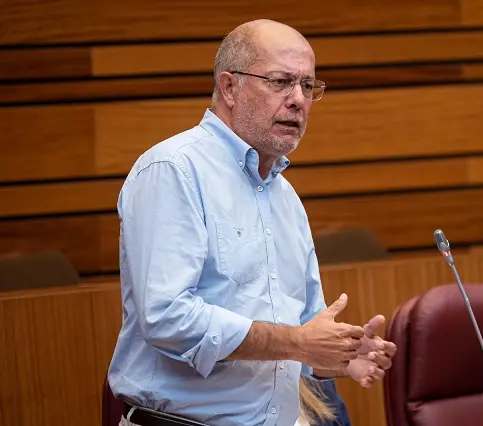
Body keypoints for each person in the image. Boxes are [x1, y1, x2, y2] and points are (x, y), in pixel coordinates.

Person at [107, 19, 397, 426]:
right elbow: (168, 317)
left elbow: (301, 333)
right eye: (281, 82)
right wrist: (297, 342)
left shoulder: (286, 198)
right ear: (229, 87)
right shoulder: (173, 169)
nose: (298, 100)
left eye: (308, 86)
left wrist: (339, 356)